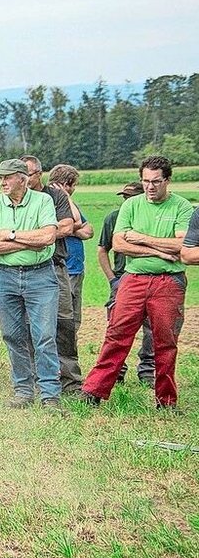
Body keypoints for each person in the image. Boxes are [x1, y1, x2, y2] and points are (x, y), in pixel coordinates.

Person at [82, 156, 193, 410]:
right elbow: (120, 244)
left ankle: (166, 400)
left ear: (168, 180)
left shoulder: (182, 207)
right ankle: (94, 391)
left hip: (168, 281)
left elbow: (181, 245)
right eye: (146, 181)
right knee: (117, 334)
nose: (150, 187)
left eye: (156, 182)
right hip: (133, 279)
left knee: (165, 341)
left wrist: (141, 238)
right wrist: (158, 250)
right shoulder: (131, 205)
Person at [0, 159, 62, 412]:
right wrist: (29, 241)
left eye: (8, 177)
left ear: (23, 179)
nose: (2, 182)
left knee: (44, 336)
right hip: (5, 276)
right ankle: (23, 389)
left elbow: (48, 237)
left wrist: (11, 234)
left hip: (40, 276)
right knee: (12, 334)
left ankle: (49, 394)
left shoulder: (43, 201)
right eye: (0, 177)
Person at [23, 154, 82, 393]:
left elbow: (68, 226)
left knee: (64, 323)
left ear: (40, 173)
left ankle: (70, 380)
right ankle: (37, 380)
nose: (25, 179)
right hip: (25, 268)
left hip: (55, 266)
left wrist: (31, 234)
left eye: (29, 174)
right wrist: (41, 233)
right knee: (29, 325)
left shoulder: (55, 195)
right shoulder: (17, 199)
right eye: (20, 174)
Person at [98, 181, 153, 385]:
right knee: (117, 326)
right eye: (124, 198)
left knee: (152, 327)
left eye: (130, 198)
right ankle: (117, 370)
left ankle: (147, 370)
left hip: (150, 276)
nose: (126, 202)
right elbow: (102, 250)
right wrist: (112, 279)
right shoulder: (113, 218)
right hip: (122, 278)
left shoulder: (150, 217)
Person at [50, 165, 94, 368]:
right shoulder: (53, 201)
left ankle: (66, 361)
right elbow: (74, 223)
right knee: (63, 320)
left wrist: (71, 229)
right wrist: (64, 197)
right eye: (73, 185)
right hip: (62, 268)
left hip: (76, 267)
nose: (74, 189)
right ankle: (59, 364)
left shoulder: (69, 203)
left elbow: (88, 231)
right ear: (67, 184)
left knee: (74, 319)